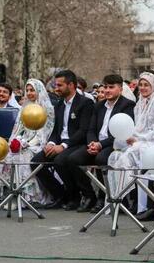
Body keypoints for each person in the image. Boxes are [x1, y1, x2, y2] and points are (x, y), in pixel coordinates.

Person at [59, 74, 135, 212]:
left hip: (115, 145)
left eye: (111, 87)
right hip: (96, 144)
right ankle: (89, 195)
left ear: (120, 89)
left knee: (101, 158)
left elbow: (121, 133)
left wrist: (100, 145)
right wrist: (92, 143)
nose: (107, 90)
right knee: (73, 159)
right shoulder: (99, 106)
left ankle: (103, 196)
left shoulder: (127, 105)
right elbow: (91, 129)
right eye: (105, 87)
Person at [108, 72, 154, 215]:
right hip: (140, 139)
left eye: (146, 85)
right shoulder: (139, 103)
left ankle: (143, 206)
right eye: (140, 85)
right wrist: (131, 137)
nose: (142, 88)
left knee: (135, 153)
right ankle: (122, 199)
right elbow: (137, 127)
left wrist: (138, 140)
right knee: (117, 154)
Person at [31, 69, 94, 209]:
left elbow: (83, 131)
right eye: (56, 85)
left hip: (77, 143)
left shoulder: (85, 103)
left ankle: (85, 195)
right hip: (61, 144)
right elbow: (56, 129)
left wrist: (63, 145)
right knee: (36, 162)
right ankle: (60, 194)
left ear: (71, 85)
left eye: (60, 85)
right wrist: (51, 143)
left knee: (61, 160)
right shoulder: (59, 104)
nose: (56, 88)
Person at [0, 79, 55, 207]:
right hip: (25, 141)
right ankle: (13, 193)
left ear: (39, 90)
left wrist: (27, 144)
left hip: (40, 143)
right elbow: (18, 129)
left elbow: (45, 132)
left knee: (25, 155)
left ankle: (32, 197)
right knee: (9, 154)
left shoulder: (47, 108)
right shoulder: (24, 108)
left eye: (32, 90)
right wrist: (16, 141)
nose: (29, 93)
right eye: (27, 90)